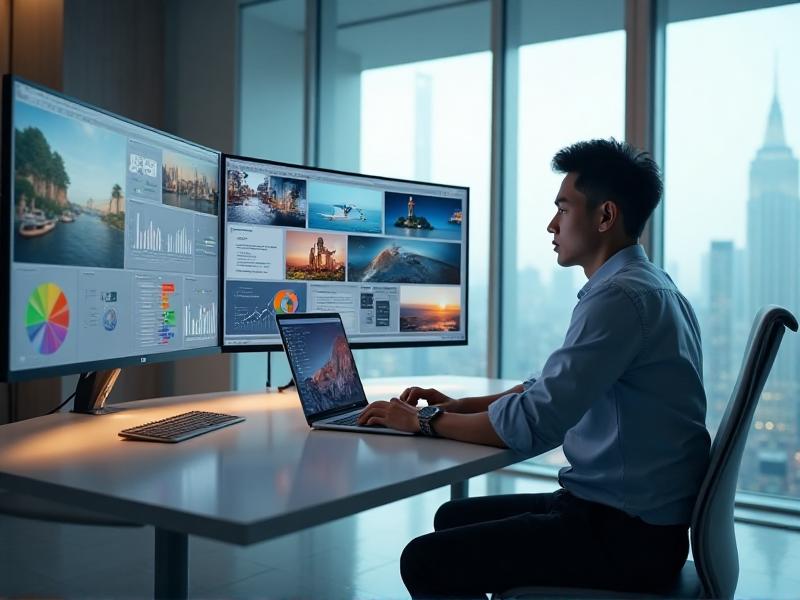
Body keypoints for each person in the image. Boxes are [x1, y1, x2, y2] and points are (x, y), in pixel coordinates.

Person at [357, 139, 711, 598]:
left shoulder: (619, 299)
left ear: (605, 217)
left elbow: (537, 422)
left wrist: (425, 421)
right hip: (637, 520)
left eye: (563, 209)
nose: (552, 224)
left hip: (625, 536)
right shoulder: (651, 286)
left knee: (423, 560)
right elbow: (549, 388)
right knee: (451, 518)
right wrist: (460, 406)